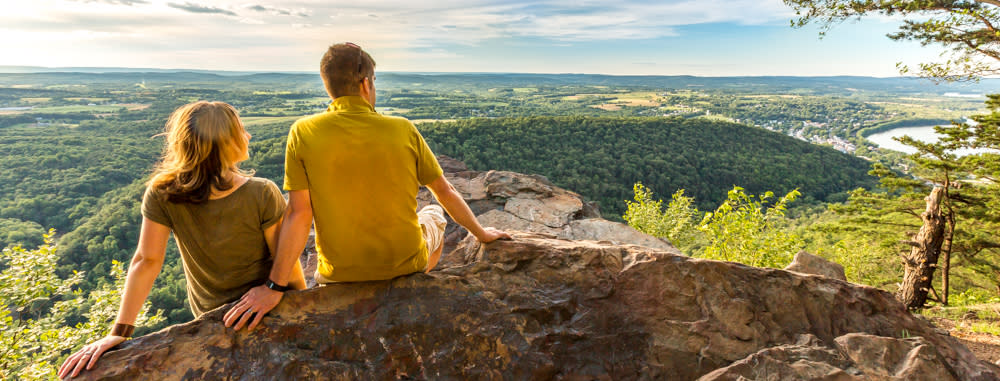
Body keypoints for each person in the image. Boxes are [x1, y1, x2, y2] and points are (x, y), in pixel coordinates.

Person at [223, 42, 511, 330]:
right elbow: (445, 191)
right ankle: (416, 283)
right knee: (433, 212)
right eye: (373, 81)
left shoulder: (303, 132)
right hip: (404, 265)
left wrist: (274, 287)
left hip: (339, 275)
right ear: (365, 84)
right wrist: (482, 235)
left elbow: (299, 214)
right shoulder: (403, 129)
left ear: (328, 87)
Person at [58, 101, 306, 379]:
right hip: (266, 309)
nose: (248, 136)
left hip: (211, 317)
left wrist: (120, 332)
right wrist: (304, 304)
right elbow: (285, 257)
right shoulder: (262, 192)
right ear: (225, 142)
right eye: (241, 130)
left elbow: (146, 261)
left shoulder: (163, 192)